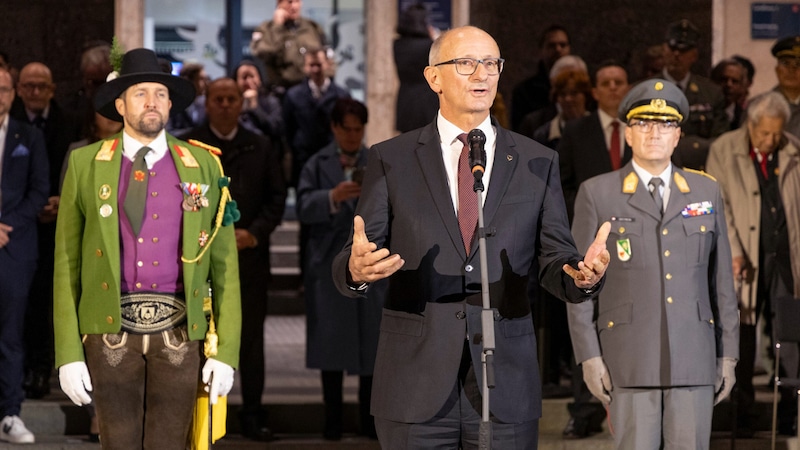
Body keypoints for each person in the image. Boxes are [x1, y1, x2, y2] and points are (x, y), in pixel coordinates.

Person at [331, 26, 611, 449]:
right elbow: (357, 254)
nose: (482, 73)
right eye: (466, 63)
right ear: (434, 78)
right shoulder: (392, 158)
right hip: (414, 385)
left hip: (505, 386)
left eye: (491, 63)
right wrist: (356, 270)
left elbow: (556, 259)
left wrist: (581, 276)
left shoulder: (537, 161)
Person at [53, 48, 242, 448]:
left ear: (171, 102)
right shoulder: (85, 164)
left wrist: (227, 350)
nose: (151, 102)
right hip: (108, 333)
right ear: (119, 104)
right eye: (140, 93)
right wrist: (68, 352)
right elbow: (66, 263)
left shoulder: (203, 164)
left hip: (179, 333)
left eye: (159, 93)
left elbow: (224, 266)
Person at [567, 79, 740, 450]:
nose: (654, 133)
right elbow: (580, 285)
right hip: (628, 358)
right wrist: (589, 356)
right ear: (627, 133)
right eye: (643, 124)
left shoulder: (706, 191)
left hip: (694, 355)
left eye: (665, 125)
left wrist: (728, 353)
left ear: (678, 136)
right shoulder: (598, 193)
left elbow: (722, 281)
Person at [180, 77, 286, 442]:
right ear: (206, 103)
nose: (225, 104)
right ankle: (197, 412)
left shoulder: (260, 145)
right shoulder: (188, 146)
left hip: (250, 259)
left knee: (251, 340)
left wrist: (253, 232)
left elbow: (277, 196)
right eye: (218, 98)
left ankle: (253, 413)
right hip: (199, 259)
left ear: (242, 104)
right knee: (198, 339)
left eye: (231, 99)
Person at [705, 91, 800, 437]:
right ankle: (740, 410)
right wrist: (733, 250)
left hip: (788, 263)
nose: (771, 140)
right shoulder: (724, 149)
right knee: (741, 335)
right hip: (744, 259)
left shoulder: (793, 149)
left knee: (789, 339)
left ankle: (788, 410)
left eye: (777, 133)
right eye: (765, 133)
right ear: (751, 124)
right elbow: (719, 206)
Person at [297, 98, 382, 441]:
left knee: (372, 344)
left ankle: (368, 419)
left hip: (369, 262)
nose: (352, 135)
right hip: (328, 260)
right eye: (345, 128)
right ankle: (332, 419)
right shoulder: (316, 163)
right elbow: (302, 206)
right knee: (330, 342)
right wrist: (332, 197)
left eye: (357, 129)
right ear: (334, 128)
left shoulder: (377, 162)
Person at [556, 61, 631, 439]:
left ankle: (627, 397)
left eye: (620, 82)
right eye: (606, 83)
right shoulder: (576, 131)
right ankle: (584, 409)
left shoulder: (640, 129)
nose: (614, 88)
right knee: (583, 313)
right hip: (587, 238)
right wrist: (586, 214)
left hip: (637, 242)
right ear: (595, 91)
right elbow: (563, 184)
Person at [11, 61, 82, 400]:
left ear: (52, 89)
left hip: (59, 221)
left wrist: (60, 202)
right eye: (29, 86)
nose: (35, 92)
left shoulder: (68, 122)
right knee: (21, 299)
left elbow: (77, 168)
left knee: (49, 297)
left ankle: (43, 366)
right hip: (17, 223)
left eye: (42, 86)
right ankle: (21, 367)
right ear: (18, 89)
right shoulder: (10, 122)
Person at [0, 67, 49, 445]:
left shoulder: (28, 136)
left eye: (3, 89)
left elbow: (39, 192)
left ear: (13, 93)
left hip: (15, 247)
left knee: (11, 335)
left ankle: (9, 413)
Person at [658, 19, 728, 171]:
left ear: (694, 55)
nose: (676, 55)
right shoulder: (644, 91)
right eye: (672, 48)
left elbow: (721, 141)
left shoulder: (711, 93)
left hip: (699, 171)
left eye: (683, 50)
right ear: (663, 50)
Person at [283, 47, 350, 189]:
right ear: (305, 67)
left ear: (327, 64)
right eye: (311, 65)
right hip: (303, 159)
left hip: (333, 158)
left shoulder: (341, 96)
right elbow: (288, 129)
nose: (315, 70)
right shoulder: (293, 95)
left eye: (318, 65)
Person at [250, 0, 327, 92]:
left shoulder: (312, 27)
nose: (294, 6)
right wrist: (277, 27)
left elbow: (327, 55)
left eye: (297, 2)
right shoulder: (266, 29)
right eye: (289, 2)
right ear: (279, 4)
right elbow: (263, 53)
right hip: (281, 91)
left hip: (310, 91)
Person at [510, 24, 571, 131]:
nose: (558, 49)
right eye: (552, 45)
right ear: (541, 50)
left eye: (563, 45)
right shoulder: (524, 91)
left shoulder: (584, 89)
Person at [393, 2, 439, 133]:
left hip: (405, 98)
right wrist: (434, 37)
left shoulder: (398, 44)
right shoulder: (429, 45)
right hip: (427, 100)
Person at [528, 68, 591, 150]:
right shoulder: (544, 135)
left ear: (585, 96)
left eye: (574, 93)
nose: (568, 99)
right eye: (562, 94)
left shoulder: (600, 129)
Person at [232, 59, 285, 149]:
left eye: (252, 76)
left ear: (259, 79)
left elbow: (275, 130)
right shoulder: (230, 103)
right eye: (244, 77)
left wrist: (254, 108)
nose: (249, 81)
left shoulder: (271, 101)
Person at [167, 62, 209, 135]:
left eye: (206, 79)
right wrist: (194, 133)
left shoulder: (207, 104)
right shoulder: (173, 104)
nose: (206, 84)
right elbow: (168, 133)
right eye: (201, 79)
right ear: (189, 81)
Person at [771, 35, 800, 139]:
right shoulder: (758, 106)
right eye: (785, 63)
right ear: (777, 69)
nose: (791, 70)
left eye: (798, 64)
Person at [710, 58, 749, 130]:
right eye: (724, 80)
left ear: (742, 86)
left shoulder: (744, 117)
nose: (729, 85)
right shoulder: (706, 111)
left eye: (734, 81)